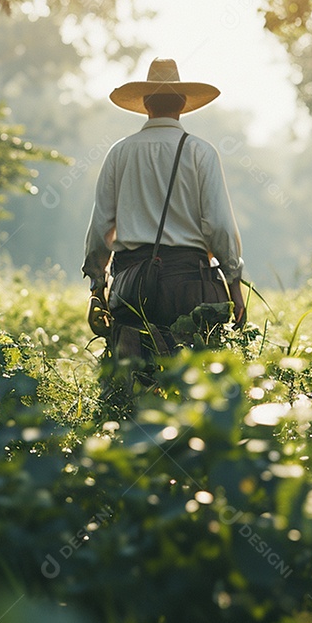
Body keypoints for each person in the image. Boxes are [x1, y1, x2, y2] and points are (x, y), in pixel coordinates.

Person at [82, 58, 246, 397]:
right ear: (183, 105)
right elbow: (219, 226)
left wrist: (98, 287)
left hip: (131, 286)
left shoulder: (119, 153)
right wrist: (234, 286)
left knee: (132, 390)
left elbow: (101, 227)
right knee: (195, 388)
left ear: (145, 105)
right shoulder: (202, 152)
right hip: (189, 283)